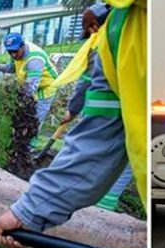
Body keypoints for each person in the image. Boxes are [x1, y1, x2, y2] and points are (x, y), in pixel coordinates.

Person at [0, 0, 146, 248]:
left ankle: (106, 213)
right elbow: (101, 134)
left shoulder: (38, 58)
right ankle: (105, 213)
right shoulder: (122, 30)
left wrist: (71, 110)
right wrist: (31, 210)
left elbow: (47, 88)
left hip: (42, 97)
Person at [54, 3, 133, 212]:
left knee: (103, 156)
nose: (89, 33)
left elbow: (86, 82)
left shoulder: (102, 43)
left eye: (89, 28)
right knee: (130, 160)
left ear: (95, 25)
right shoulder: (130, 32)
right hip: (136, 116)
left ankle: (101, 212)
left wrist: (72, 110)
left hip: (116, 117)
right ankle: (105, 207)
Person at [0, 32, 58, 126]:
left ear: (23, 46)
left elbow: (30, 88)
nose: (13, 55)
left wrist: (4, 89)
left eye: (15, 51)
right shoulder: (15, 52)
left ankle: (31, 138)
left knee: (34, 123)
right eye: (10, 52)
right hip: (28, 85)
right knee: (20, 121)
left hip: (45, 89)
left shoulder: (34, 59)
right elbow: (12, 68)